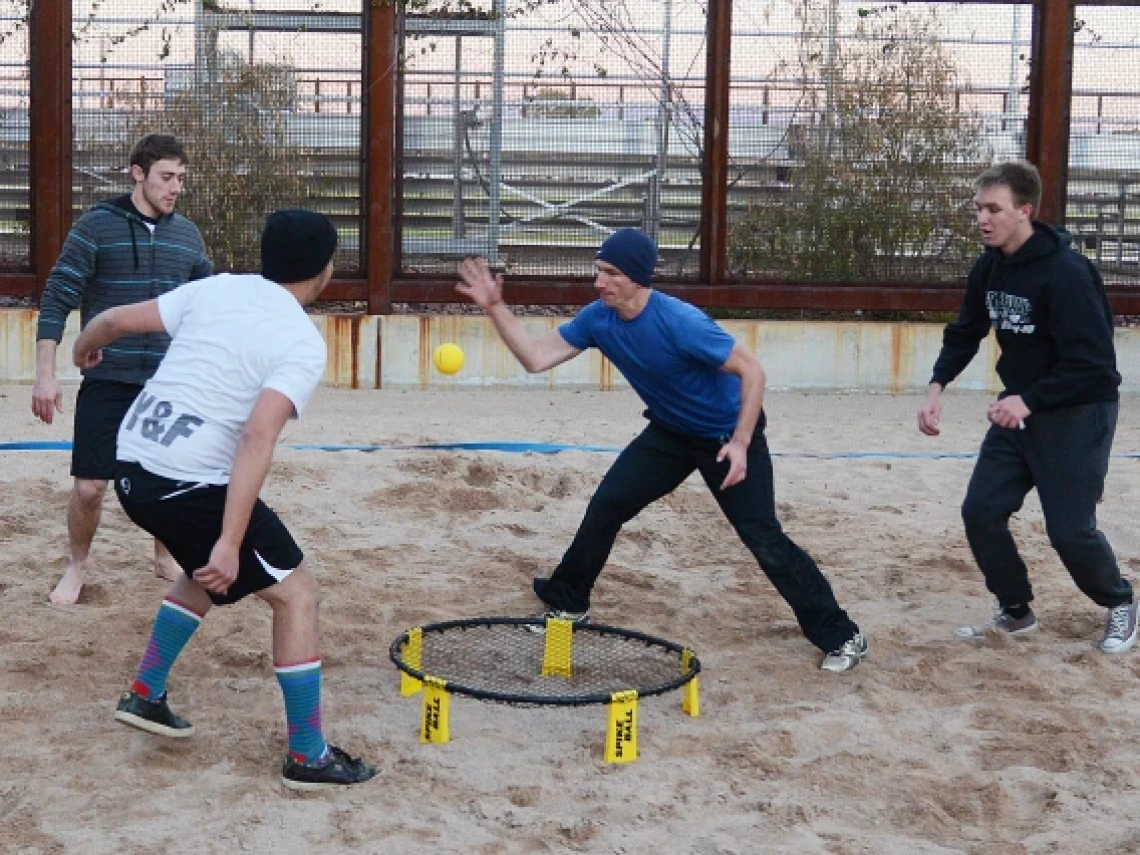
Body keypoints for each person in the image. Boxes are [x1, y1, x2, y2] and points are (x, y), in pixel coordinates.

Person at [456, 228, 868, 672]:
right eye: (598, 271)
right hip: (671, 432)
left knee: (762, 537)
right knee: (608, 504)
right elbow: (536, 358)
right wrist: (496, 307)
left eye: (611, 273)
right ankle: (569, 602)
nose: (600, 282)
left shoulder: (680, 322)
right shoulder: (599, 318)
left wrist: (742, 443)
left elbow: (753, 372)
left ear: (637, 278)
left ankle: (842, 636)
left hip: (725, 437)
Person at [70, 209, 375, 791]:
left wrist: (85, 346)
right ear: (325, 271)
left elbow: (109, 321)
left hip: (132, 464)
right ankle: (308, 756)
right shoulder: (301, 341)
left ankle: (144, 693)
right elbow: (256, 437)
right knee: (296, 594)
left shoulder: (220, 287)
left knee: (201, 566)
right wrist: (233, 541)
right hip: (187, 482)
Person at [918, 160, 1135, 653]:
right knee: (981, 511)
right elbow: (965, 331)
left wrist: (1029, 400)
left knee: (1070, 531)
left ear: (1025, 211)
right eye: (978, 209)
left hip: (1078, 414)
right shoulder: (989, 265)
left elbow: (1096, 366)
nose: (982, 218)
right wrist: (936, 387)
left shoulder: (1068, 273)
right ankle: (1016, 609)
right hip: (1016, 414)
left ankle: (1120, 601)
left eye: (993, 209)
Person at [34, 133, 213, 605]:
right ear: (138, 174)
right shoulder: (97, 227)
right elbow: (57, 298)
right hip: (109, 379)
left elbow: (208, 308)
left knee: (168, 479)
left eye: (181, 179)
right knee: (91, 487)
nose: (175, 188)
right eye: (166, 177)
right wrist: (45, 373)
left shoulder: (187, 236)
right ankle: (76, 568)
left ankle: (162, 554)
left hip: (168, 383)